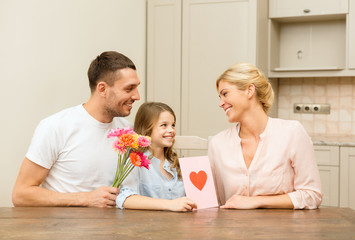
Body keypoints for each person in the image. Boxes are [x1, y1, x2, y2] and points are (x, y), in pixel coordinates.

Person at [12, 51, 140, 208]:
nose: (137, 96)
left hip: (121, 230)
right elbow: (21, 194)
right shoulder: (56, 127)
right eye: (129, 89)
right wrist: (86, 199)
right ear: (102, 89)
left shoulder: (129, 131)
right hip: (67, 230)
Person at [208, 63, 322, 210]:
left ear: (249, 90)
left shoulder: (292, 133)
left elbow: (312, 195)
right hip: (232, 230)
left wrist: (256, 201)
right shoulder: (217, 144)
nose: (220, 103)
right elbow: (212, 203)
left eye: (225, 94)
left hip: (282, 230)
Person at [116, 102, 197, 212]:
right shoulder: (135, 162)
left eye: (173, 125)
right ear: (147, 128)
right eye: (164, 125)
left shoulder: (176, 163)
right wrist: (170, 204)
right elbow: (125, 198)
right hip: (149, 226)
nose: (171, 130)